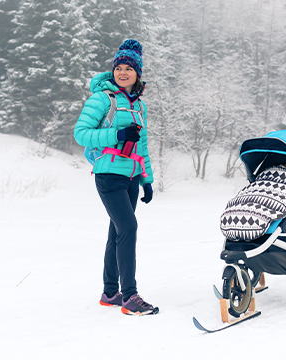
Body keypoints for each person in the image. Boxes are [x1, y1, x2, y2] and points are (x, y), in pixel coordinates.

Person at [73, 39, 158, 315]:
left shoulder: (139, 106)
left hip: (132, 178)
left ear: (138, 73)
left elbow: (142, 145)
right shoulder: (102, 98)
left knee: (118, 231)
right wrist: (116, 135)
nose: (122, 72)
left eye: (128, 68)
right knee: (129, 228)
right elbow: (80, 133)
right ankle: (130, 296)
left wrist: (147, 179)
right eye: (118, 67)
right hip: (108, 174)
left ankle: (110, 292)